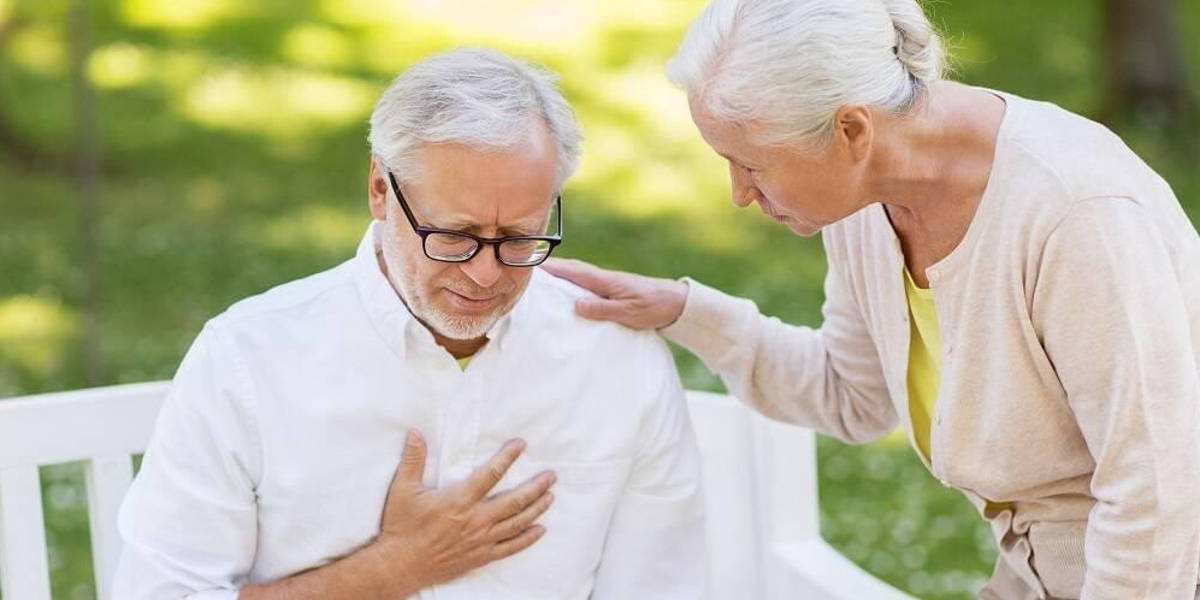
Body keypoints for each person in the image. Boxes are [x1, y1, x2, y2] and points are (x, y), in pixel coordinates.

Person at [543, 0, 1200, 598]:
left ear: (852, 131)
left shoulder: (1077, 214)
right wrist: (683, 311)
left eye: (752, 164)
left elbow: (1159, 495)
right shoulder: (866, 201)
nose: (739, 194)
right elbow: (850, 394)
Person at [112, 48, 706, 600]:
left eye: (518, 237)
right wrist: (391, 568)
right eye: (453, 235)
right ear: (380, 189)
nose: (484, 274)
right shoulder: (247, 360)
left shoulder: (617, 358)